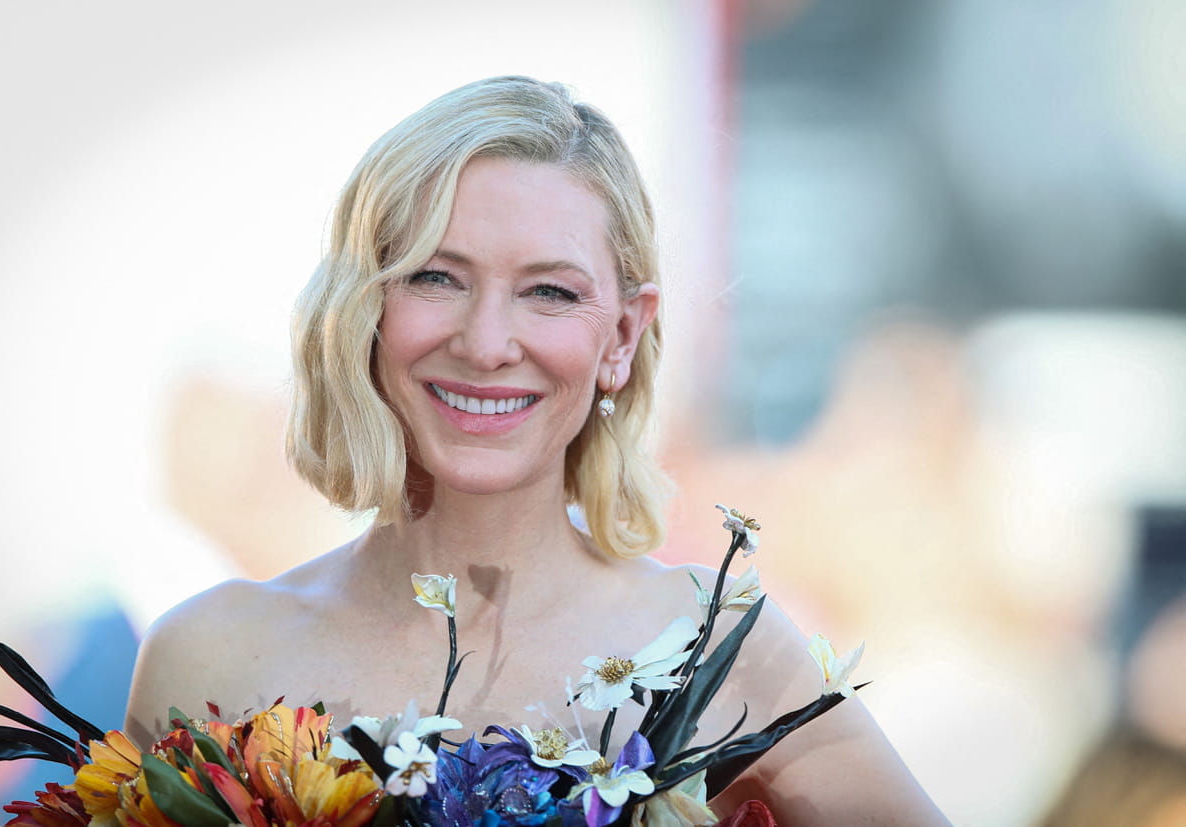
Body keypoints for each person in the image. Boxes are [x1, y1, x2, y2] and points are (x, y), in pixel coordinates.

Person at [125, 75, 947, 825]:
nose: (486, 344)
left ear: (622, 336)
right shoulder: (208, 657)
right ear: (364, 308)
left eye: (549, 291)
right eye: (436, 277)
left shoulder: (713, 648)